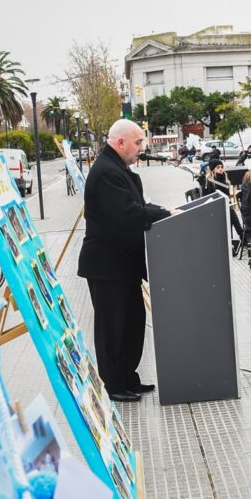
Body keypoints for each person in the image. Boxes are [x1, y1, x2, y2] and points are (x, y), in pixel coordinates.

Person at [80, 119, 174, 402]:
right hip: (107, 266)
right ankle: (113, 384)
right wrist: (165, 214)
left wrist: (163, 210)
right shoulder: (107, 172)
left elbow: (139, 206)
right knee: (112, 328)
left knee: (132, 323)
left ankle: (127, 377)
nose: (141, 148)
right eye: (138, 143)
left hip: (123, 265)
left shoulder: (118, 169)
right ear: (120, 143)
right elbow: (128, 213)